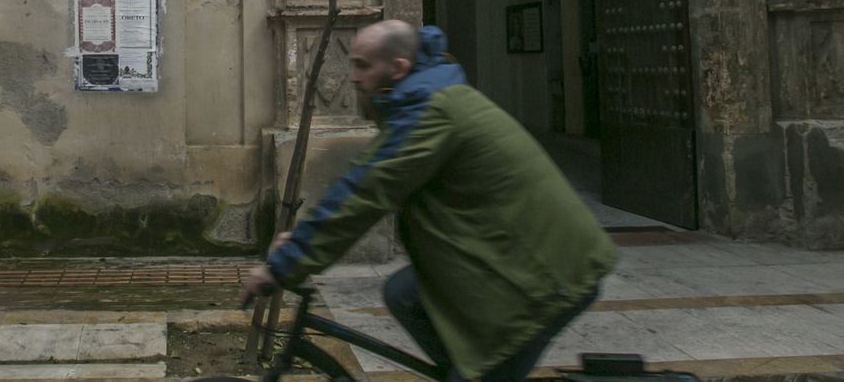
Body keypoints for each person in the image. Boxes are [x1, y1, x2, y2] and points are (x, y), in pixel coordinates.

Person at [239, 19, 616, 382]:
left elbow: (364, 192)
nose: (353, 76)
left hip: (548, 273)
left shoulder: (429, 113)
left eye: (363, 65)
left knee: (481, 365)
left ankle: (475, 372)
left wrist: (287, 263)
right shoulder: (425, 97)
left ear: (398, 68)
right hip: (514, 251)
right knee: (403, 294)